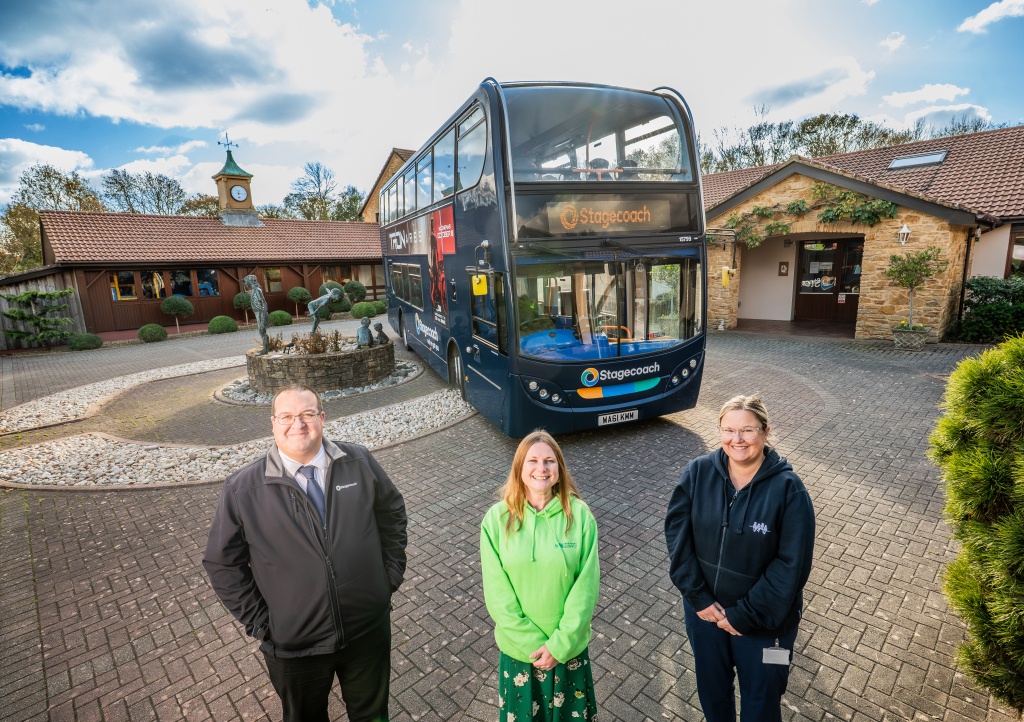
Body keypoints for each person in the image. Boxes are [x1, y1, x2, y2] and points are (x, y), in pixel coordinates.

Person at [203, 383, 407, 722]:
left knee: (372, 715)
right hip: (295, 645)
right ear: (272, 423)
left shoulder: (358, 461)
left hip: (366, 630)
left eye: (307, 414)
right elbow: (222, 562)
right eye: (286, 416)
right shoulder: (244, 488)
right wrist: (264, 623)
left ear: (322, 419)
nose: (298, 424)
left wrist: (389, 576)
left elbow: (392, 513)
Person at [664, 395, 815, 722]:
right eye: (729, 430)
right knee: (712, 692)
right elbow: (678, 537)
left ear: (765, 431)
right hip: (705, 615)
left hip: (766, 624)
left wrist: (744, 615)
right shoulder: (697, 473)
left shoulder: (790, 490)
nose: (737, 439)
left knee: (763, 700)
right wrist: (698, 598)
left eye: (747, 430)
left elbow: (792, 566)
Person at [480, 430, 600, 722]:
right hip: (521, 654)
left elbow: (585, 589)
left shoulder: (581, 517)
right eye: (532, 461)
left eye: (549, 461)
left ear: (559, 470)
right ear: (520, 469)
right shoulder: (496, 521)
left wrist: (559, 646)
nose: (541, 468)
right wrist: (536, 647)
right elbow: (498, 595)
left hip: (567, 652)